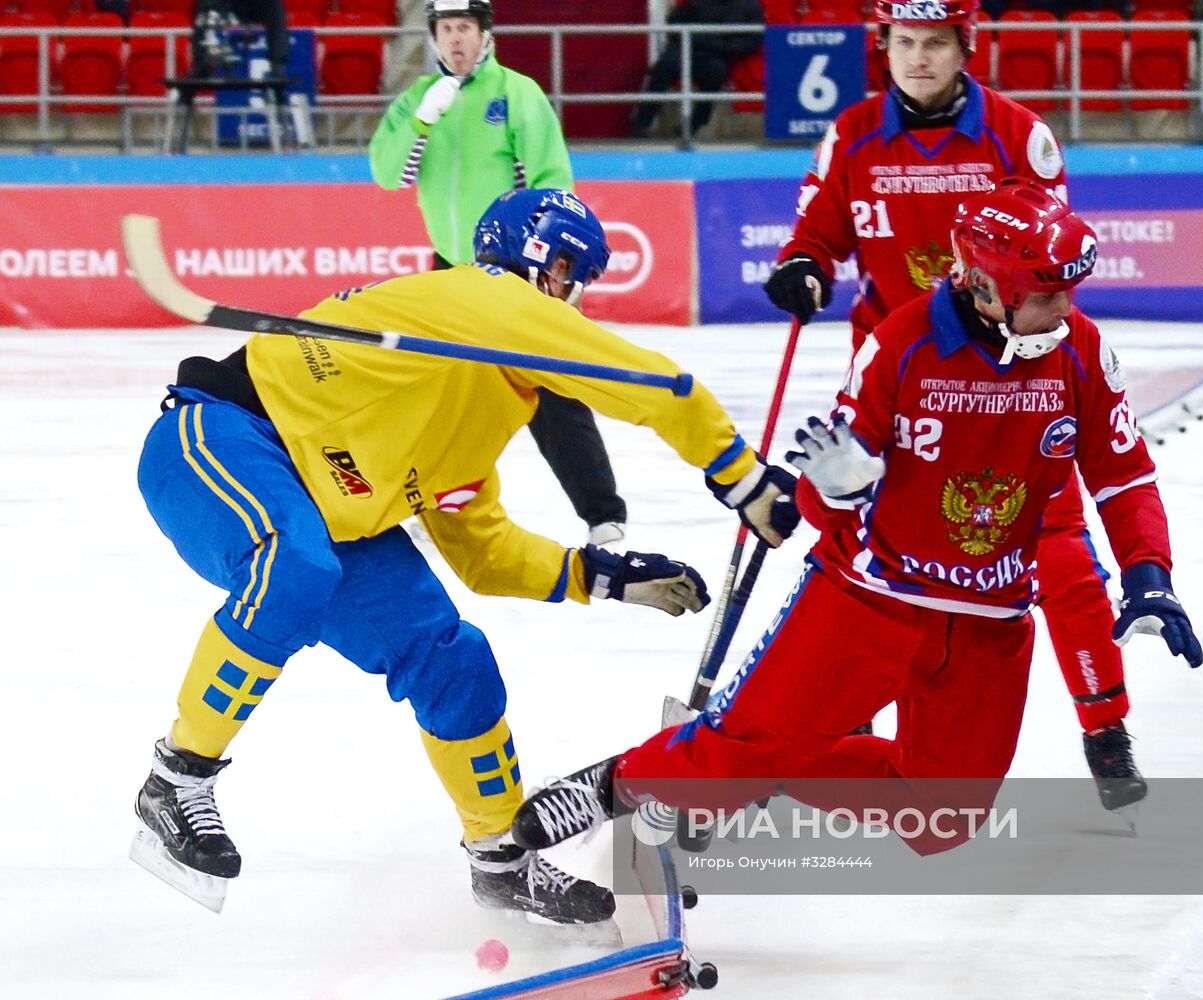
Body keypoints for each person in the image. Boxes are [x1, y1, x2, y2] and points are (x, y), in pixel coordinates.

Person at [129, 188, 800, 924]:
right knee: (297, 564)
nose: (572, 302)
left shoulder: (483, 402)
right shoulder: (482, 298)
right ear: (535, 263)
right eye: (569, 276)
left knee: (454, 659)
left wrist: (596, 576)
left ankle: (500, 858)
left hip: (329, 522)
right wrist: (737, 471)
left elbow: (482, 550)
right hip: (217, 441)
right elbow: (654, 386)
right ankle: (177, 778)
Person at [510, 179, 1203, 862]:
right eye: (1047, 297)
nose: (1064, 311)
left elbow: (1123, 475)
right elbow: (818, 504)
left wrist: (1148, 575)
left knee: (943, 821)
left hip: (989, 622)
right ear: (987, 289)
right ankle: (617, 785)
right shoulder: (903, 343)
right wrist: (833, 488)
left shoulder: (1079, 350)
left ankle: (747, 772)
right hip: (866, 601)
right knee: (746, 744)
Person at [761, 0, 1148, 815]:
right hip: (904, 390)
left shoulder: (1015, 133)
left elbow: (1048, 253)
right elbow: (815, 228)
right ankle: (821, 727)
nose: (919, 59)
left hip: (1016, 383)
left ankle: (1104, 727)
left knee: (1059, 553)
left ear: (963, 47)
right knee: (860, 551)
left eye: (935, 43)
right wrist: (801, 262)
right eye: (904, 43)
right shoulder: (854, 134)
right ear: (884, 47)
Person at [370, 0, 629, 549]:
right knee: (438, 390)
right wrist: (422, 119)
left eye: (465, 28)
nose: (456, 40)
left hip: (519, 272)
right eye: (445, 30)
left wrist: (550, 270)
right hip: (451, 270)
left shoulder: (517, 94)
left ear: (485, 34)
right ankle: (425, 499)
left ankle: (603, 513)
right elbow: (386, 175)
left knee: (551, 389)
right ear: (434, 38)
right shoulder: (419, 100)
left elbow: (553, 181)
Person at [631, 0, 765, 139]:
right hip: (686, 46)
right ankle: (642, 123)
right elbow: (674, 23)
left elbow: (752, 41)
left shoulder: (751, 6)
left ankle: (693, 125)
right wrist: (692, 39)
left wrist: (720, 46)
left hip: (718, 54)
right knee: (666, 65)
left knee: (716, 72)